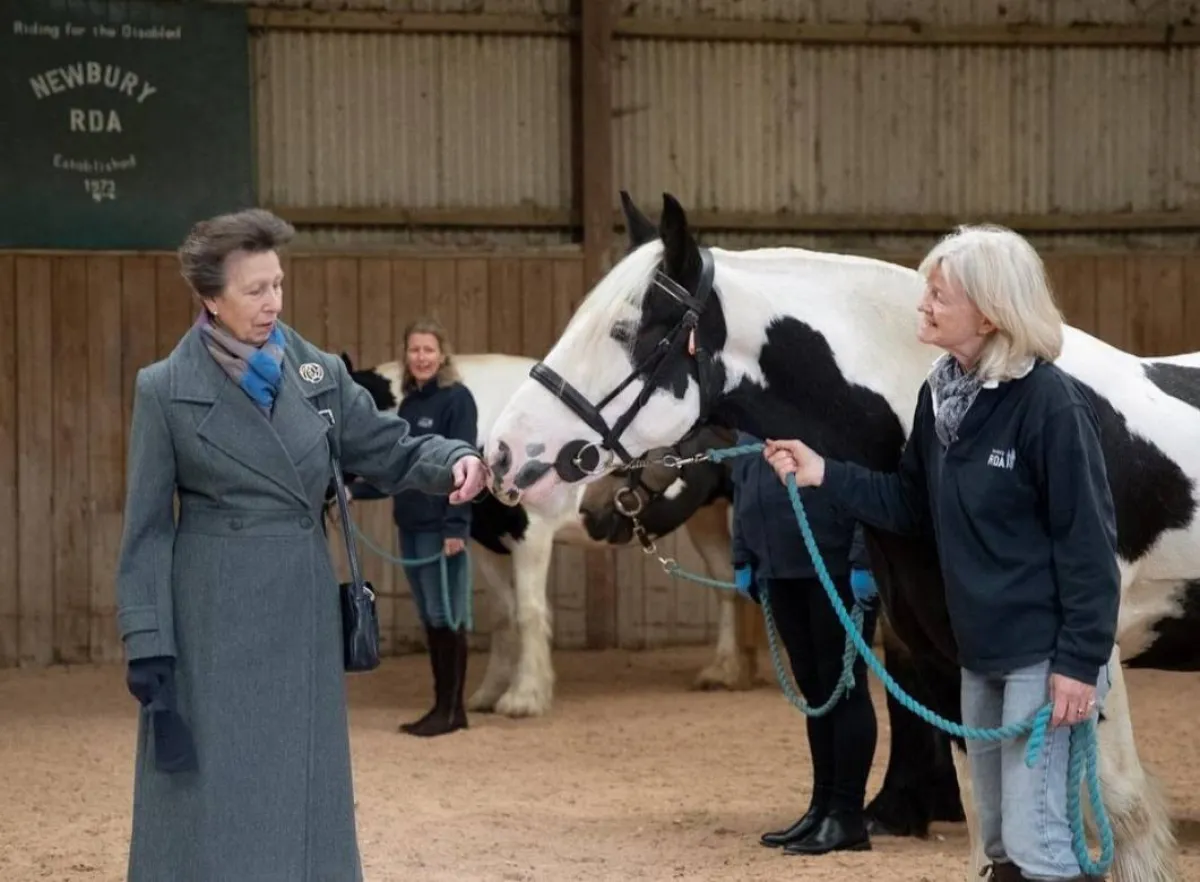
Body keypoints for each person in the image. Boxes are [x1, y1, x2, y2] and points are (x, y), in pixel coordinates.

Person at [115, 208, 487, 882]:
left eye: (278, 284)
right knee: (213, 792)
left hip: (300, 608)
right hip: (209, 619)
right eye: (255, 289)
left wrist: (453, 459)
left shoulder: (317, 372)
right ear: (210, 298)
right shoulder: (164, 389)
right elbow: (145, 529)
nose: (273, 303)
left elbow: (389, 447)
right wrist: (148, 642)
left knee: (300, 783)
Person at [762, 224, 1120, 882]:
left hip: (1043, 657)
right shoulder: (941, 396)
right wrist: (823, 472)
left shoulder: (1051, 406)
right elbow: (910, 504)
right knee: (1001, 839)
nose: (922, 305)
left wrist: (1079, 663)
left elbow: (1088, 545)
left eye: (938, 295)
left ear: (988, 313)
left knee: (1039, 840)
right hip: (978, 652)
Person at [729, 429, 880, 856]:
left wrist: (865, 556)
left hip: (832, 562)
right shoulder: (752, 419)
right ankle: (822, 807)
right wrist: (743, 554)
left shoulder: (828, 407)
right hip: (779, 566)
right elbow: (744, 483)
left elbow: (867, 476)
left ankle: (847, 815)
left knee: (843, 687)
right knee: (815, 690)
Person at [349, 317, 479, 737]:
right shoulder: (410, 405)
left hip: (440, 528)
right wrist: (353, 491)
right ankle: (445, 707)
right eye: (414, 350)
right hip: (411, 524)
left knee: (446, 615)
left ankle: (450, 709)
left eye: (428, 350)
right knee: (430, 616)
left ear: (442, 354)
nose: (421, 357)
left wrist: (456, 527)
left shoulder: (457, 400)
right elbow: (398, 471)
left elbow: (466, 464)